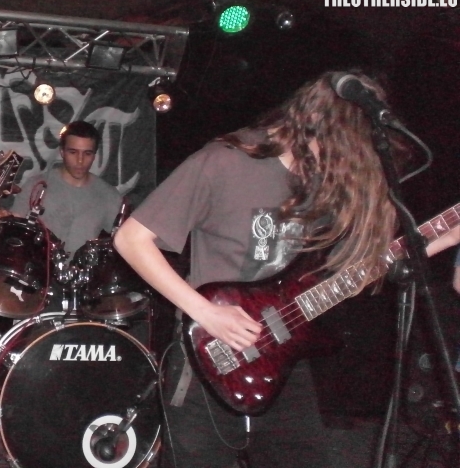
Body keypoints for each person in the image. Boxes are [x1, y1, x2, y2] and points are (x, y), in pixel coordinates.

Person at [114, 70, 454, 467]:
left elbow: (354, 272)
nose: (341, 162)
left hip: (284, 359)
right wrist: (205, 312)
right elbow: (131, 240)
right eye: (339, 147)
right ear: (313, 123)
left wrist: (443, 238)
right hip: (210, 356)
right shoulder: (224, 161)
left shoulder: (323, 185)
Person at [10, 120, 122, 257]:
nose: (80, 161)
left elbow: (124, 243)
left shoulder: (109, 195)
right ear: (62, 152)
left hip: (83, 269)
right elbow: (14, 228)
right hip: (38, 265)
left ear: (94, 155)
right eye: (73, 152)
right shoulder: (36, 185)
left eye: (87, 153)